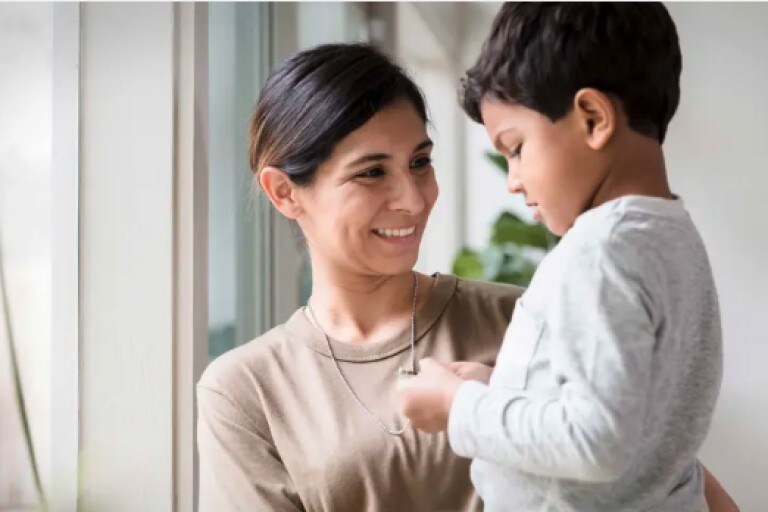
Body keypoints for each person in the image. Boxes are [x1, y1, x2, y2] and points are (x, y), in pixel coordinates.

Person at [196, 43, 737, 511]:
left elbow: (671, 482)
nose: (412, 199)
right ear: (285, 192)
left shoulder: (521, 319)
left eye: (420, 162)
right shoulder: (245, 393)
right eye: (371, 172)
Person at [398, 3, 732, 512]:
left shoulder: (599, 253)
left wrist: (458, 408)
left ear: (594, 119)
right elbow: (631, 412)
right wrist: (504, 389)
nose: (513, 179)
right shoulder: (671, 237)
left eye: (516, 148)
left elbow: (594, 442)